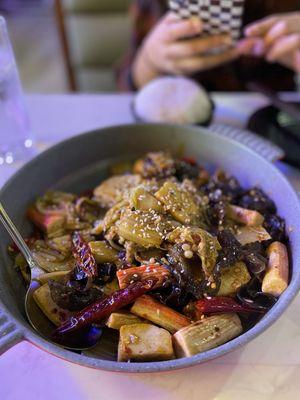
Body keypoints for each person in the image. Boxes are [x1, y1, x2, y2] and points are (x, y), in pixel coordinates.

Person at [117, 1, 300, 92]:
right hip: (180, 119)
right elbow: (127, 86)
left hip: (278, 123)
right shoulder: (155, 5)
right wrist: (150, 60)